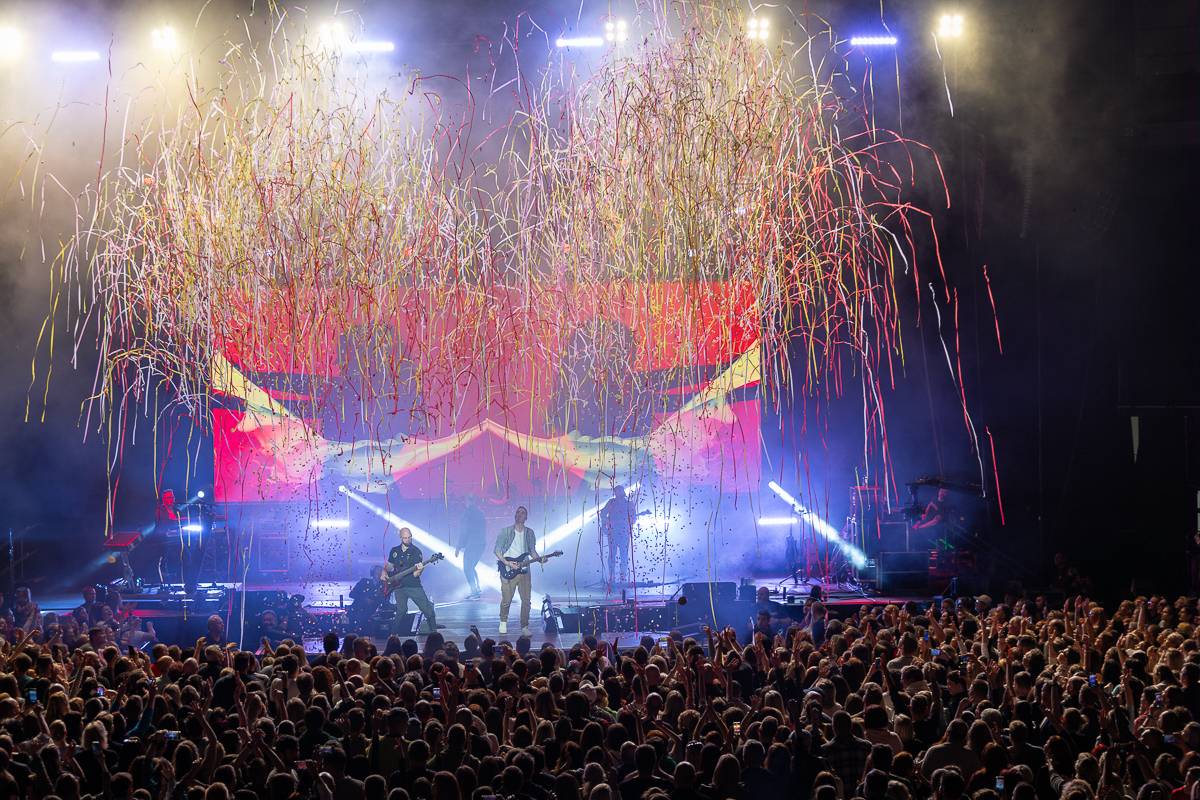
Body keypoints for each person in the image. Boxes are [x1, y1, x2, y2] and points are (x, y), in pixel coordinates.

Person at [494, 506, 541, 637]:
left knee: (526, 600)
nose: (520, 514)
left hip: (524, 570)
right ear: (515, 515)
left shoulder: (529, 533)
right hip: (508, 569)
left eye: (523, 513)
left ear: (526, 517)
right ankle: (503, 621)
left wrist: (540, 559)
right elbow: (497, 551)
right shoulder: (505, 532)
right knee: (506, 600)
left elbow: (532, 551)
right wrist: (507, 563)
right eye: (518, 512)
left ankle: (525, 626)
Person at [386, 527, 438, 635]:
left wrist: (420, 570)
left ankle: (434, 633)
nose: (408, 540)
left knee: (427, 609)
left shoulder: (416, 551)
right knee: (401, 610)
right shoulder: (394, 550)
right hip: (398, 586)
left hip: (413, 585)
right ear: (401, 537)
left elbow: (415, 574)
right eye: (405, 538)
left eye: (409, 537)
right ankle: (393, 634)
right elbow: (390, 566)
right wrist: (384, 571)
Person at [599, 485, 635, 588]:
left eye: (618, 491)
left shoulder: (629, 503)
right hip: (613, 533)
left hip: (623, 534)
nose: (617, 493)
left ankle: (623, 577)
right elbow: (603, 513)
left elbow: (634, 518)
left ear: (622, 492)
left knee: (624, 556)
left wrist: (627, 524)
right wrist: (605, 525)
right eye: (616, 491)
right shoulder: (611, 503)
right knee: (612, 555)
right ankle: (612, 577)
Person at [456, 497, 486, 599]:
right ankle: (477, 589)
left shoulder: (467, 513)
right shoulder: (480, 513)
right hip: (480, 544)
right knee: (471, 567)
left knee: (467, 568)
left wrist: (459, 546)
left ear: (467, 501)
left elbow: (464, 531)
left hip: (472, 544)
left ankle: (475, 591)